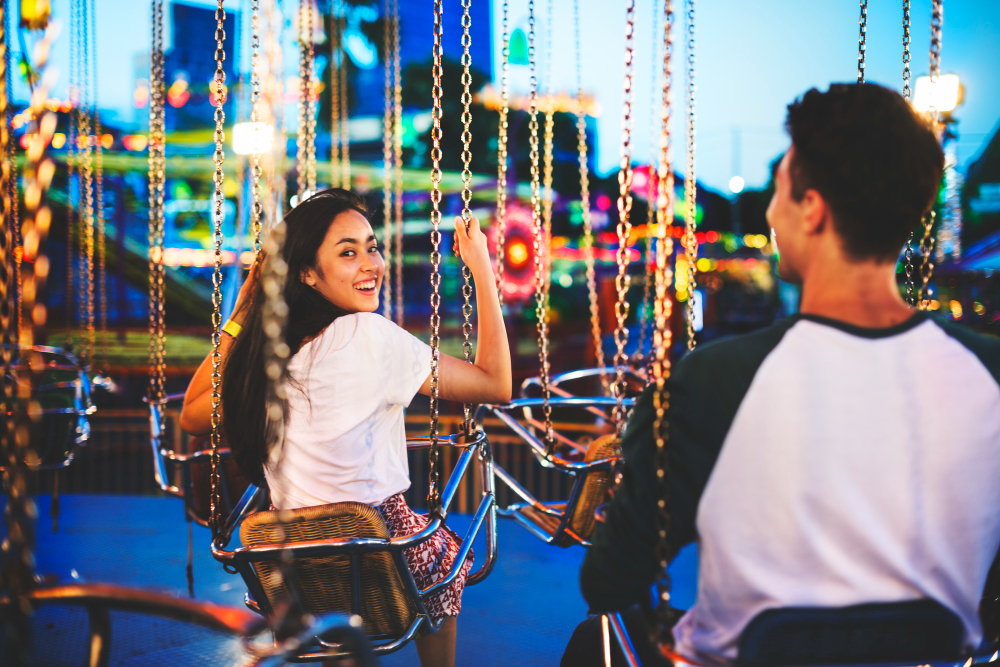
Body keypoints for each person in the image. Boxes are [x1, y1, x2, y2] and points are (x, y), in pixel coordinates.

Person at [566, 83, 1000, 665]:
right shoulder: (988, 374)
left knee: (589, 646)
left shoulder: (709, 386)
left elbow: (609, 582)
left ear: (812, 209)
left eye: (779, 191)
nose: (770, 210)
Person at [180, 188, 512, 667]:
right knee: (440, 553)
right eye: (348, 252)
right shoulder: (367, 334)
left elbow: (191, 414)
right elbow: (496, 384)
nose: (370, 264)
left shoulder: (265, 356)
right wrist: (480, 266)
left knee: (336, 606)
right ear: (308, 274)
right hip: (380, 549)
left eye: (372, 247)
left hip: (287, 563)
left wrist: (245, 308)